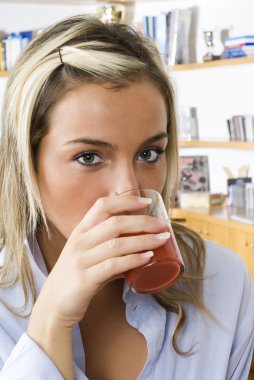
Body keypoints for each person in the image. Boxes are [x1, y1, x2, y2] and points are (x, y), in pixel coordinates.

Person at [0, 15, 253, 380]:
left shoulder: (224, 282)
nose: (129, 191)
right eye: (88, 157)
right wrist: (49, 321)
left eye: (149, 154)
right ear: (29, 162)